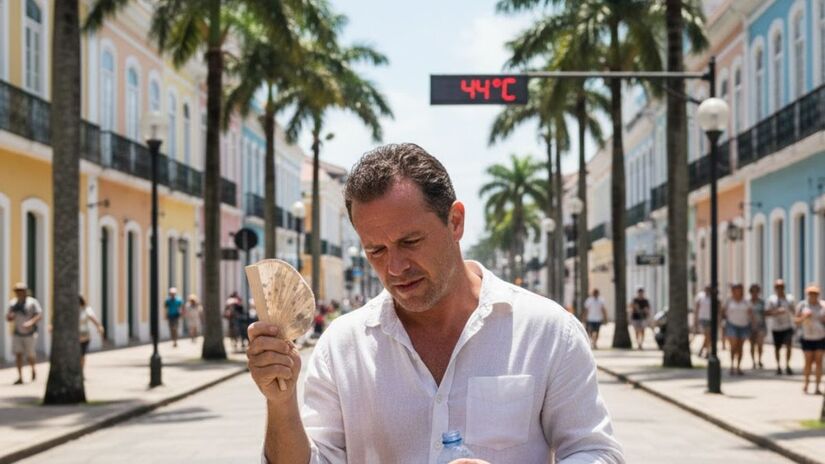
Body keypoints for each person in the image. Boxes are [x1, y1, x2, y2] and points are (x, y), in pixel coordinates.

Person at [247, 143, 624, 463]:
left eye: (410, 242)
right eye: (376, 250)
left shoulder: (547, 331)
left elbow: (595, 450)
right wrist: (281, 405)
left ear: (455, 221)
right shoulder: (342, 346)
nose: (395, 267)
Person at [6, 282, 43, 385]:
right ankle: (20, 377)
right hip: (17, 333)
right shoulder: (13, 303)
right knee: (18, 355)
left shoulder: (32, 302)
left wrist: (30, 323)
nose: (18, 293)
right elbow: (8, 317)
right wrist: (10, 317)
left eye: (20, 290)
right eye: (16, 291)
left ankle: (33, 369)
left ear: (25, 291)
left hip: (29, 334)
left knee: (30, 355)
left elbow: (39, 315)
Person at [795, 284, 825, 394]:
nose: (813, 296)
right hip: (807, 337)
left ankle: (817, 386)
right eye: (811, 294)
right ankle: (806, 383)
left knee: (819, 361)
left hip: (820, 336)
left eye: (815, 294)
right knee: (808, 361)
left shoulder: (823, 306)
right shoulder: (802, 305)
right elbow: (796, 320)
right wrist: (804, 317)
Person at [721, 284, 753, 376]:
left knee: (740, 347)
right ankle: (732, 366)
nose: (738, 292)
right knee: (733, 346)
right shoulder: (729, 301)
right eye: (736, 290)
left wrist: (752, 324)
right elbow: (722, 312)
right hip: (732, 325)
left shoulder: (746, 301)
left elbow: (750, 313)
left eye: (739, 290)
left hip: (744, 325)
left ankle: (738, 367)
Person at [766, 279, 795, 375]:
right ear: (775, 288)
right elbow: (766, 313)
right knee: (777, 348)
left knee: (789, 346)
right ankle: (778, 366)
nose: (780, 289)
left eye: (781, 287)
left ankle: (787, 365)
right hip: (776, 327)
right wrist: (776, 312)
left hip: (787, 326)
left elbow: (794, 311)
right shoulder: (771, 299)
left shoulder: (790, 298)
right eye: (777, 287)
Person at [78, 295, 105, 373]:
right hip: (75, 337)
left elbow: (93, 319)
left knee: (82, 355)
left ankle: (81, 371)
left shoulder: (87, 310)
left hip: (84, 336)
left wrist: (99, 327)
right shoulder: (73, 310)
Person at [748, 284, 766, 369]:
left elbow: (764, 313)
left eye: (756, 291)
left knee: (760, 344)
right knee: (752, 345)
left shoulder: (762, 302)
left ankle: (759, 359)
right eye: (753, 291)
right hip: (750, 327)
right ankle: (753, 361)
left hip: (760, 326)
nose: (755, 293)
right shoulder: (748, 302)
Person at [694, 286, 713, 358]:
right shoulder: (700, 296)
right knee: (707, 335)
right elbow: (697, 308)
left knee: (709, 337)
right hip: (703, 318)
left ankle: (703, 351)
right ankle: (706, 352)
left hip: (711, 319)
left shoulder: (713, 297)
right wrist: (695, 319)